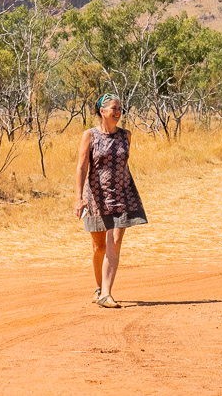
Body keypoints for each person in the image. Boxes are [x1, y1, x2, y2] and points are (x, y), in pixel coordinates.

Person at [74, 93, 147, 308]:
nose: (118, 112)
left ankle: (106, 293)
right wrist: (78, 198)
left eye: (120, 109)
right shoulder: (90, 135)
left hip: (123, 195)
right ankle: (99, 288)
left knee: (114, 242)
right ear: (102, 111)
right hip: (96, 196)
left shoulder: (127, 135)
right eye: (113, 108)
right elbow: (81, 167)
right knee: (98, 247)